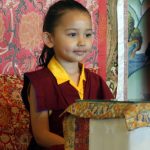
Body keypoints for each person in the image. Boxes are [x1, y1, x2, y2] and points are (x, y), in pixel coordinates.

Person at [21, 0, 114, 149]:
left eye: (88, 34)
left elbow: (111, 124)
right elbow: (41, 135)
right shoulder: (40, 83)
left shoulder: (96, 81)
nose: (82, 42)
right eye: (72, 34)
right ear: (49, 39)